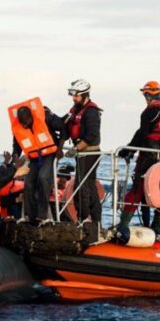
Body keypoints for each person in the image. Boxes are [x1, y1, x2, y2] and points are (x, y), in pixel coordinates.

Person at [116, 81, 160, 236]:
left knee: (137, 190)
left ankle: (123, 226)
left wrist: (128, 150)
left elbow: (142, 135)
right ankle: (158, 227)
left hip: (148, 159)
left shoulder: (148, 113)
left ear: (148, 95)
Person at [9, 98, 66, 222]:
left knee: (43, 178)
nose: (24, 125)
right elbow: (17, 144)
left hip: (50, 154)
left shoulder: (47, 118)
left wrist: (60, 148)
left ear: (31, 117)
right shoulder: (20, 126)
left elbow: (63, 128)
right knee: (29, 182)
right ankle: (30, 215)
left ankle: (43, 215)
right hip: (34, 157)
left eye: (26, 122)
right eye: (22, 123)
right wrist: (15, 158)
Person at [64, 78, 103, 225]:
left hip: (90, 154)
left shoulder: (91, 112)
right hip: (82, 155)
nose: (74, 98)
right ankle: (95, 221)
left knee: (81, 187)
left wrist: (76, 148)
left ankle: (84, 219)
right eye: (73, 95)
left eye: (76, 95)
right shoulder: (75, 110)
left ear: (85, 95)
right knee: (89, 187)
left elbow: (92, 134)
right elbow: (64, 123)